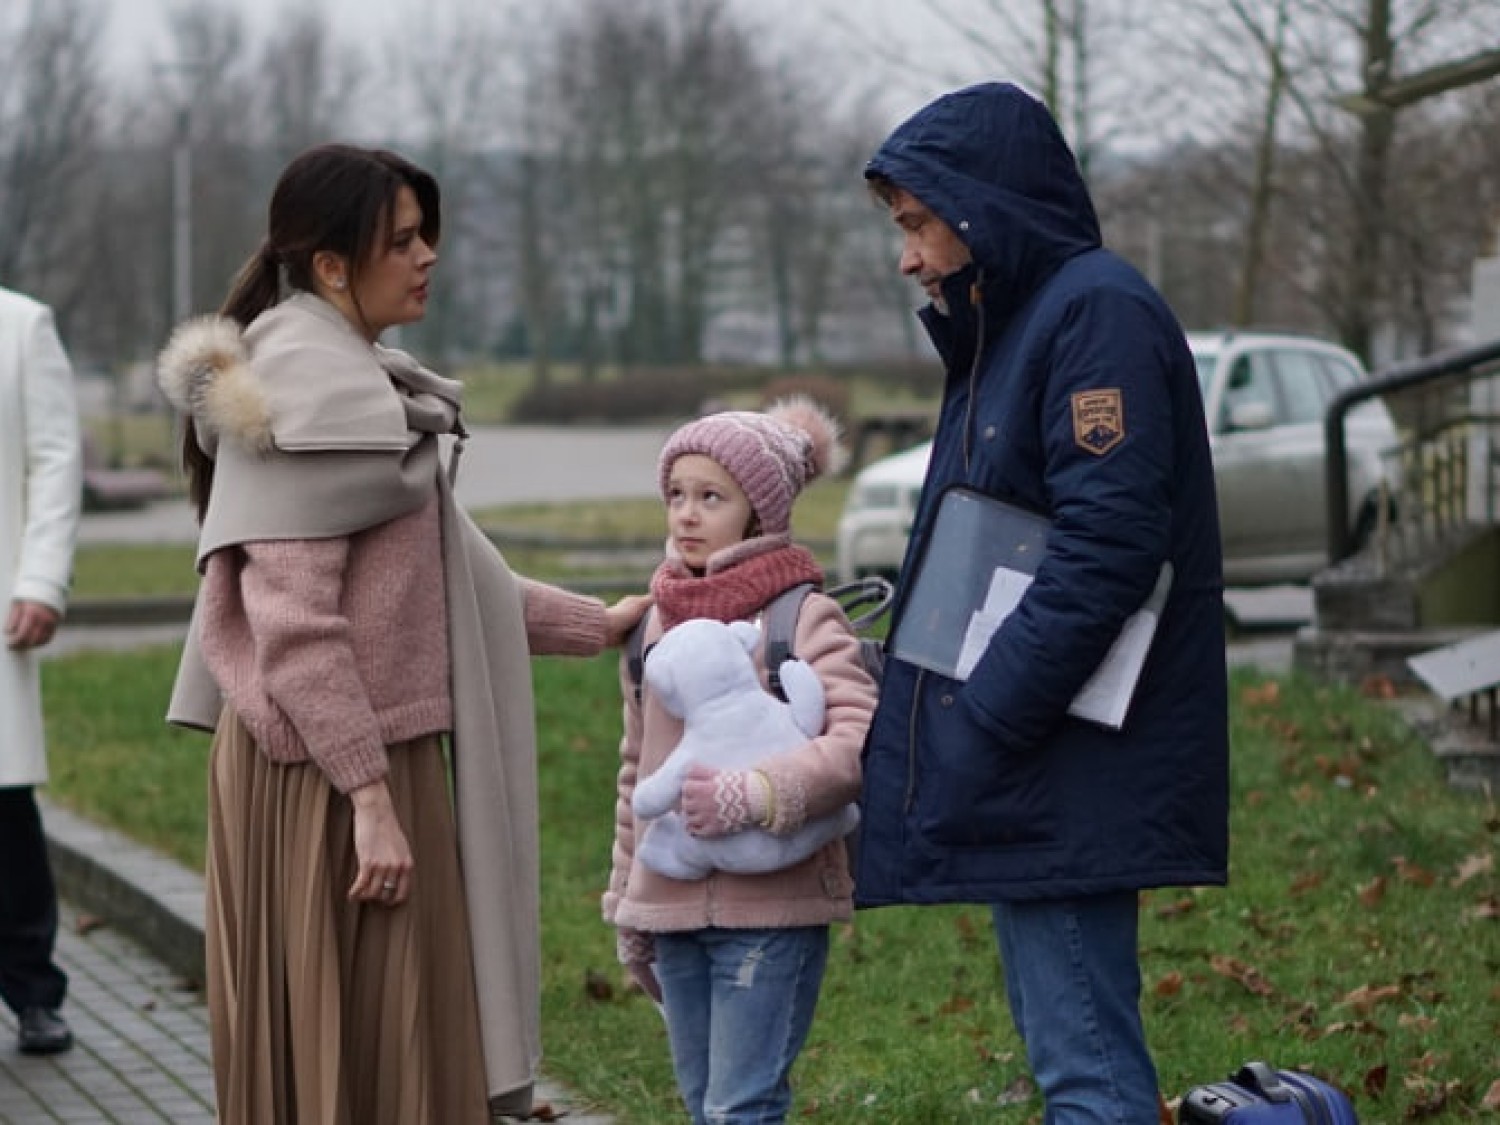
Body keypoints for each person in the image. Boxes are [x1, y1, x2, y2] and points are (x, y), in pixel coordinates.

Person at [154, 143, 648, 1125]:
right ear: (332, 265)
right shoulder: (312, 394)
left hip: (355, 757)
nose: (428, 257)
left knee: (390, 1044)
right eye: (404, 240)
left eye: (428, 236)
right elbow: (296, 627)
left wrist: (597, 626)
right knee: (366, 1051)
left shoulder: (350, 380)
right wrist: (371, 798)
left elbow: (447, 576)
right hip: (326, 775)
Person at [854, 82, 1229, 1122]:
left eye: (918, 224)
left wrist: (985, 716)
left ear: (983, 209)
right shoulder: (1020, 321)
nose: (909, 258)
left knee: (1088, 1074)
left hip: (1059, 757)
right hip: (1039, 753)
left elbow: (1107, 550)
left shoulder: (1093, 315)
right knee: (1072, 1057)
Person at [603, 399, 878, 1125]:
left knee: (739, 1108)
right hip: (671, 912)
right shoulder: (652, 625)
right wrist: (628, 900)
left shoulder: (801, 617)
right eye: (676, 494)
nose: (686, 514)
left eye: (711, 497)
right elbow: (636, 773)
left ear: (760, 514)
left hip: (773, 912)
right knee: (704, 1106)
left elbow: (854, 741)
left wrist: (759, 793)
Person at [0, 285, 84, 1057]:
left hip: (0, 602)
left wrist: (42, 581)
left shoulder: (21, 326)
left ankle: (32, 989)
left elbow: (56, 461)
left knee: (4, 808)